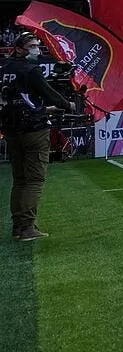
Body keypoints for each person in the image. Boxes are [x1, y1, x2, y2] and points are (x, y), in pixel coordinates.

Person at [1, 32, 70, 241]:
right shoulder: (31, 70)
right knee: (35, 180)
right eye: (32, 45)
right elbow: (49, 93)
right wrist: (68, 105)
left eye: (37, 45)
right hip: (33, 129)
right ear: (19, 48)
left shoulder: (5, 69)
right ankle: (27, 227)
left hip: (12, 130)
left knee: (20, 180)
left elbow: (17, 99)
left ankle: (18, 227)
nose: (36, 49)